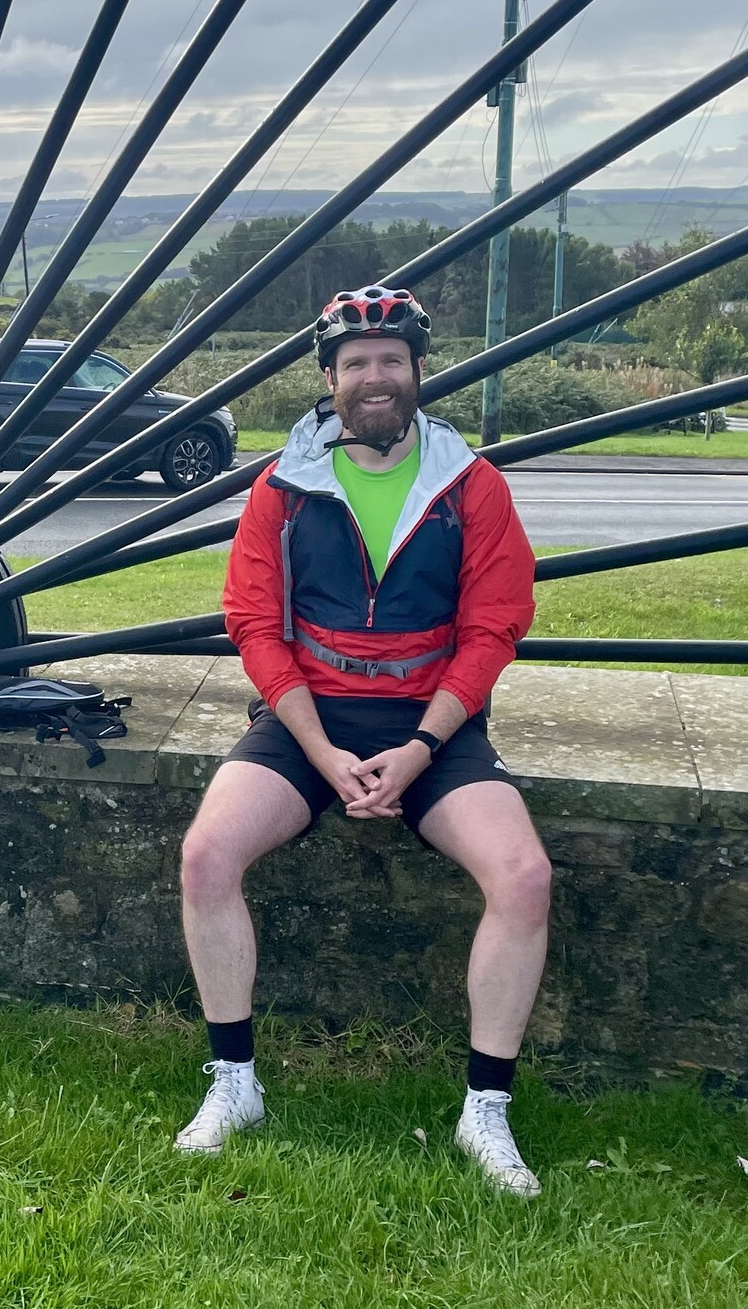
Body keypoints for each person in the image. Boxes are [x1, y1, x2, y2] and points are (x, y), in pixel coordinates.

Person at [173, 286, 548, 1197]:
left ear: (419, 373)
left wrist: (419, 748)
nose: (374, 378)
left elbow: (494, 628)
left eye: (392, 361)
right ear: (328, 380)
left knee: (524, 877)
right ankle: (235, 1084)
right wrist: (320, 747)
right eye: (355, 364)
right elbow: (255, 624)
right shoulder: (282, 489)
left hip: (435, 725)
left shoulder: (474, 487)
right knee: (205, 855)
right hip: (310, 719)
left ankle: (484, 1110)